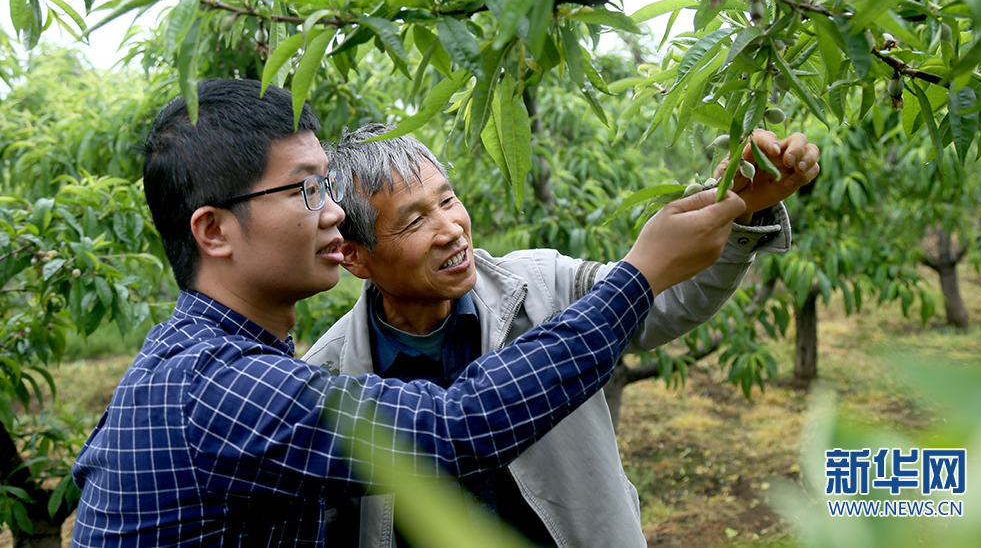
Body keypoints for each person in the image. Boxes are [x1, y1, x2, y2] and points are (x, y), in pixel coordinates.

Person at [70, 79, 751, 547]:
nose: (332, 212)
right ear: (214, 231)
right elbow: (453, 427)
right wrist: (640, 271)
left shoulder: (219, 367)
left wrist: (734, 216)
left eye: (447, 200)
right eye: (306, 191)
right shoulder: (222, 388)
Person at [303, 123, 820, 548]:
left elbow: (664, 299)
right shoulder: (329, 375)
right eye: (414, 221)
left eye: (448, 199)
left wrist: (742, 211)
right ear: (354, 256)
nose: (452, 228)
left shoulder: (540, 285)